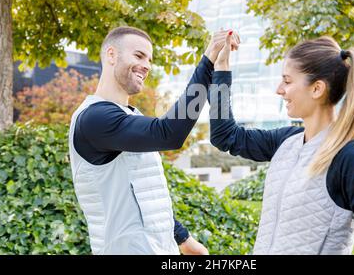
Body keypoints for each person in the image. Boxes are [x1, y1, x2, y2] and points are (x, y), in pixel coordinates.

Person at [209, 34, 354, 254]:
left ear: (317, 89)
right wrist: (221, 67)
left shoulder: (349, 159)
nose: (279, 89)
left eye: (287, 81)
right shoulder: (285, 141)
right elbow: (225, 136)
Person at [68, 26, 239, 254]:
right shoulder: (95, 118)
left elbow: (145, 192)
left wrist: (183, 239)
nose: (146, 65)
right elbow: (169, 134)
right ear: (111, 55)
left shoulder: (128, 116)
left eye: (149, 59)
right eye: (138, 55)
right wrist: (208, 62)